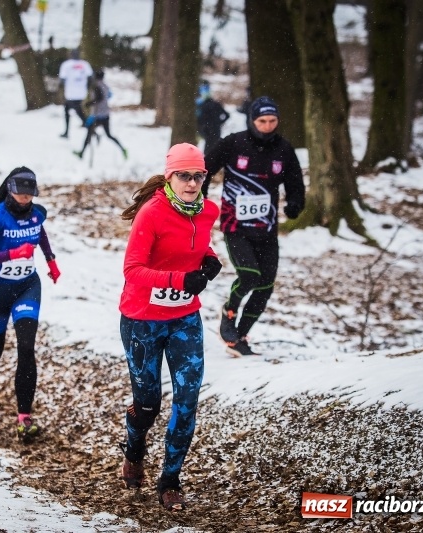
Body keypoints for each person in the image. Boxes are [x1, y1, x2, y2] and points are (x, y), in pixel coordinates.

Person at [118, 143, 221, 511]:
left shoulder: (208, 211)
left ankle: (170, 481)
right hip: (141, 320)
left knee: (187, 400)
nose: (192, 183)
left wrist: (209, 262)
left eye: (198, 176)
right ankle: (133, 451)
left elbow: (197, 249)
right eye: (184, 176)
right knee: (147, 406)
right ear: (169, 177)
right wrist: (180, 280)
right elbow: (132, 270)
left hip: (184, 319)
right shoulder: (152, 213)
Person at [201, 96, 305, 357]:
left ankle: (240, 336)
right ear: (252, 120)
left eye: (272, 121)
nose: (268, 126)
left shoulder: (283, 149)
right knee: (249, 275)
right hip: (235, 225)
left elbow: (295, 181)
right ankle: (228, 313)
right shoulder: (235, 143)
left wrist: (295, 204)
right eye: (262, 121)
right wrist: (200, 193)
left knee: (265, 285)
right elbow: (206, 166)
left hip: (267, 229)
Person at [0, 167, 61, 442]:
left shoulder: (36, 213)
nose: (24, 199)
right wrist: (12, 253)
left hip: (27, 287)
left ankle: (24, 419)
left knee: (26, 347)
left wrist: (51, 261)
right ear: (9, 189)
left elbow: (40, 233)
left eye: (29, 194)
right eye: (20, 193)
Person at [73, 70, 127, 160]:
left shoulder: (96, 86)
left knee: (88, 132)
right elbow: (109, 96)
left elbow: (99, 98)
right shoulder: (106, 86)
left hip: (97, 115)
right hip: (105, 114)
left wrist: (89, 103)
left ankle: (82, 153)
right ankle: (123, 149)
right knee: (109, 135)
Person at [58, 48, 92, 138]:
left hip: (71, 93)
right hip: (81, 92)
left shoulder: (66, 65)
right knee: (70, 110)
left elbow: (62, 80)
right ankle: (67, 132)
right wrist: (86, 87)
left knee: (77, 111)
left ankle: (90, 128)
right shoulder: (85, 64)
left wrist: (62, 88)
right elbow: (90, 77)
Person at [195, 83, 230, 153]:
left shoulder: (203, 106)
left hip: (207, 130)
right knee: (216, 148)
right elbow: (227, 115)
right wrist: (220, 122)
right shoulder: (216, 104)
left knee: (208, 149)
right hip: (216, 129)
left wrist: (201, 127)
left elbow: (200, 119)